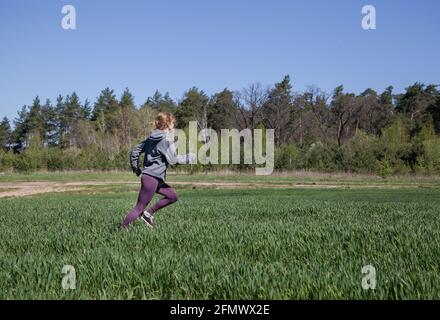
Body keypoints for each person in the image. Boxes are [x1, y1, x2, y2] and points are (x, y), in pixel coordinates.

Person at [121, 112, 195, 228]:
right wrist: (189, 157)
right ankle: (121, 230)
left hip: (154, 178)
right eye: (173, 123)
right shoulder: (166, 140)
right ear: (168, 124)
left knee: (172, 196)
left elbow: (135, 150)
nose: (174, 126)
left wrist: (136, 167)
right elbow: (174, 159)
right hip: (152, 179)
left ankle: (148, 214)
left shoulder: (151, 138)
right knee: (139, 207)